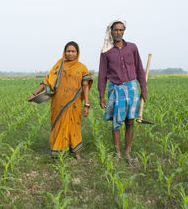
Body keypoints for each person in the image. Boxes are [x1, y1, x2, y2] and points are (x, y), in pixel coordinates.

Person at [28, 41, 93, 160]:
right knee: (58, 125)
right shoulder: (59, 65)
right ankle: (58, 151)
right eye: (68, 51)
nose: (70, 54)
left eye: (73, 51)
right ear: (64, 52)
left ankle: (76, 152)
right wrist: (35, 93)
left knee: (74, 126)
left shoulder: (82, 67)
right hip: (58, 102)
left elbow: (85, 86)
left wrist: (87, 104)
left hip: (74, 102)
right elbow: (47, 81)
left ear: (77, 53)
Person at [98, 19, 147, 163]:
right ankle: (118, 152)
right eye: (116, 30)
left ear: (124, 31)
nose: (118, 32)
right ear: (111, 32)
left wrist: (143, 87)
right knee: (116, 121)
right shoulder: (106, 51)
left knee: (130, 121)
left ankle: (127, 152)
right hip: (115, 88)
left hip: (131, 88)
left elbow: (139, 69)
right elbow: (102, 75)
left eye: (121, 30)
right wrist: (101, 95)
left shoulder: (132, 47)